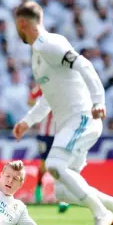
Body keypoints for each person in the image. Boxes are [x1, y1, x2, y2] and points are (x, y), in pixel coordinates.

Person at [12, 1, 113, 225]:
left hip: (82, 117)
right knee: (63, 190)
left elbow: (84, 64)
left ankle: (101, 213)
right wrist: (28, 121)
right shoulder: (38, 53)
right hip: (68, 123)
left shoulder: (50, 43)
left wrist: (99, 100)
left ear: (22, 23)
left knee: (55, 166)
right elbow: (48, 98)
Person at [29, 85, 69, 213]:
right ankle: (39, 187)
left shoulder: (65, 86)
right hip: (44, 134)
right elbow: (29, 100)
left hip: (60, 133)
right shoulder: (42, 86)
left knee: (60, 164)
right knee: (43, 164)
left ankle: (62, 197)